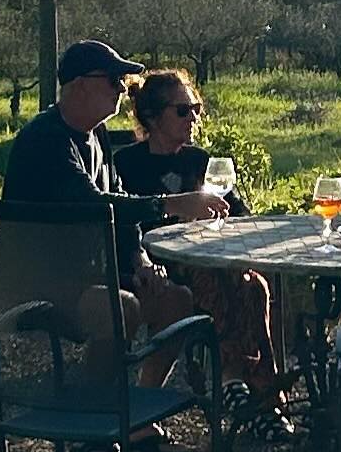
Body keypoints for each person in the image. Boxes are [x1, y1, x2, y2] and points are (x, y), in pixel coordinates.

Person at [0, 39, 219, 429]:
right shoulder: (46, 141)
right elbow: (94, 204)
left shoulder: (97, 136)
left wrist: (140, 260)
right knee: (121, 307)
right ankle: (96, 425)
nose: (123, 87)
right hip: (39, 283)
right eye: (114, 79)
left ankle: (136, 415)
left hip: (86, 277)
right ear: (81, 85)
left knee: (175, 300)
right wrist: (173, 204)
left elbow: (120, 208)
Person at [116, 70, 284, 410]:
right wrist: (178, 215)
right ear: (152, 116)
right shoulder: (128, 164)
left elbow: (239, 214)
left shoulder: (199, 161)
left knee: (256, 287)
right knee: (211, 278)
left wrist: (222, 216)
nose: (192, 117)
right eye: (182, 111)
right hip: (159, 265)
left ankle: (265, 391)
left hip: (207, 257)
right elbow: (126, 223)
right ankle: (233, 379)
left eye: (196, 109)